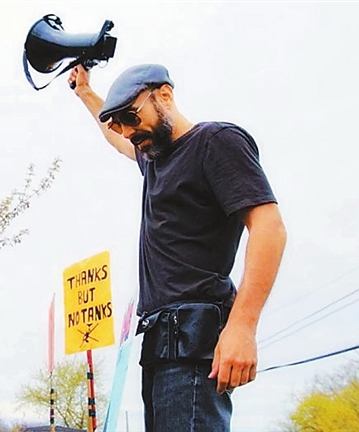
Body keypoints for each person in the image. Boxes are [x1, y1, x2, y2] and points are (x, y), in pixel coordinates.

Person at [68, 63, 287, 431]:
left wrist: (243, 327)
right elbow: (115, 140)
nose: (127, 131)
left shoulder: (214, 142)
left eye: (131, 117)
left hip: (193, 338)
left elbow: (269, 227)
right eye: (118, 123)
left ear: (165, 96)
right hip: (157, 343)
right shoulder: (153, 156)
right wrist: (85, 92)